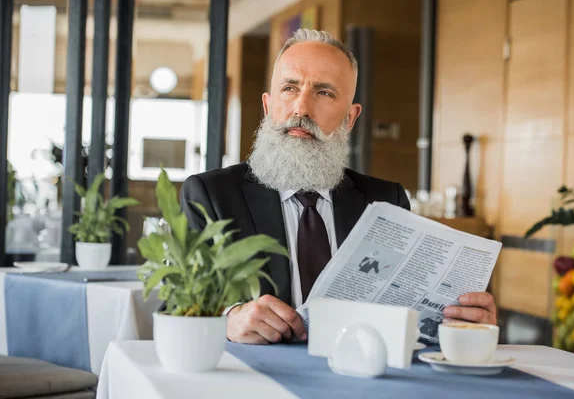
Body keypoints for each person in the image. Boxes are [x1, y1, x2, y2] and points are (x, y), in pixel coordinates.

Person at [180, 29, 497, 344]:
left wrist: (462, 324)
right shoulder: (211, 195)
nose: (301, 109)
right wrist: (229, 319)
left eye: (324, 93)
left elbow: (407, 319)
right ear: (267, 106)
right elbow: (176, 305)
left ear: (350, 118)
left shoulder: (386, 200)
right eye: (290, 89)